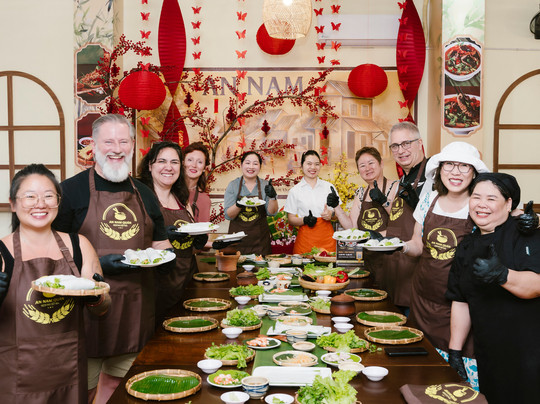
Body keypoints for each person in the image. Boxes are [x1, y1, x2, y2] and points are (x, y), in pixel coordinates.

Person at [53, 114, 176, 404]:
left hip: (135, 314)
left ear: (132, 145)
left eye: (123, 141)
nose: (117, 149)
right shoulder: (70, 191)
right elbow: (51, 252)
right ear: (93, 146)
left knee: (128, 391)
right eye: (108, 141)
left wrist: (168, 257)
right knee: (81, 393)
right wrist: (97, 265)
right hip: (84, 315)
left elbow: (161, 245)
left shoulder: (145, 193)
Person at [0, 164, 110, 403]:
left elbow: (103, 309)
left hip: (69, 373)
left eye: (49, 196)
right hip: (16, 376)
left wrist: (97, 296)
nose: (40, 204)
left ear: (58, 201)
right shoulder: (2, 251)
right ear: (13, 204)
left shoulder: (79, 245)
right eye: (30, 196)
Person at [401, 142, 489, 388]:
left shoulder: (480, 205)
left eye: (464, 166)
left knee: (458, 387)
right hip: (423, 301)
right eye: (449, 164)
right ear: (439, 170)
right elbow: (418, 245)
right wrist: (401, 247)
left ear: (474, 172)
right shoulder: (429, 199)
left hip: (462, 307)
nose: (455, 172)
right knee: (421, 380)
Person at [446, 173, 540, 403]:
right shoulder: (466, 246)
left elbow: (536, 285)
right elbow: (461, 300)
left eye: (491, 198)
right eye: (476, 197)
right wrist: (455, 351)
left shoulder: (525, 233)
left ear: (508, 204)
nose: (481, 204)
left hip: (529, 351)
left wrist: (503, 275)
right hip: (489, 350)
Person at [137, 141, 208, 324]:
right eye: (162, 161)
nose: (168, 167)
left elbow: (191, 246)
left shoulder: (181, 198)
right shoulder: (139, 197)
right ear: (150, 165)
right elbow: (133, 244)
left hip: (186, 281)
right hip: (155, 286)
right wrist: (163, 237)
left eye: (174, 162)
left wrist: (198, 241)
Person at [383, 121, 428, 312]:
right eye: (395, 146)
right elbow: (398, 222)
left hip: (419, 269)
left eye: (406, 143)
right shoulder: (402, 180)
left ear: (420, 143)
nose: (401, 150)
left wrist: (418, 205)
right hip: (397, 267)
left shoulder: (434, 175)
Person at [334, 147, 398, 279]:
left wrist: (384, 201)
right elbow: (352, 228)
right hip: (368, 258)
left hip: (392, 256)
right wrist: (337, 207)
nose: (367, 168)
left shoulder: (395, 186)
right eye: (362, 166)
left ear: (381, 163)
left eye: (371, 163)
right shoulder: (361, 193)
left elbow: (400, 221)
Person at [284, 150, 341, 254]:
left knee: (328, 264)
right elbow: (291, 219)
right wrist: (304, 220)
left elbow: (339, 214)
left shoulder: (329, 187)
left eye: (317, 164)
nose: (313, 167)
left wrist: (331, 214)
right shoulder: (295, 191)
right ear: (302, 166)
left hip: (327, 240)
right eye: (309, 164)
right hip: (305, 241)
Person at [223, 151, 278, 255]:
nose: (251, 167)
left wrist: (273, 197)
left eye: (255, 164)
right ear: (241, 165)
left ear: (260, 166)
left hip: (260, 243)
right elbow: (228, 215)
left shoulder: (265, 185)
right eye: (247, 163)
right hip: (236, 243)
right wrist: (238, 205)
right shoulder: (233, 185)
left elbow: (272, 213)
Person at [182, 141, 212, 223]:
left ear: (204, 168)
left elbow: (204, 230)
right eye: (190, 160)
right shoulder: (170, 190)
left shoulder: (204, 199)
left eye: (199, 162)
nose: (194, 165)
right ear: (183, 162)